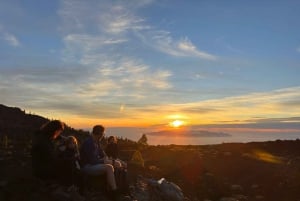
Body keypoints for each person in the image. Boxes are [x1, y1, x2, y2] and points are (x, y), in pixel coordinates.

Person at [80, 125, 119, 197]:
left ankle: (111, 186)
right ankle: (114, 192)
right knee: (109, 167)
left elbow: (102, 153)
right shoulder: (88, 143)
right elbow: (92, 161)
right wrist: (104, 161)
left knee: (116, 164)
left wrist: (109, 159)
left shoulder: (96, 142)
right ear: (99, 134)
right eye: (103, 134)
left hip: (94, 164)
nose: (103, 136)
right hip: (87, 166)